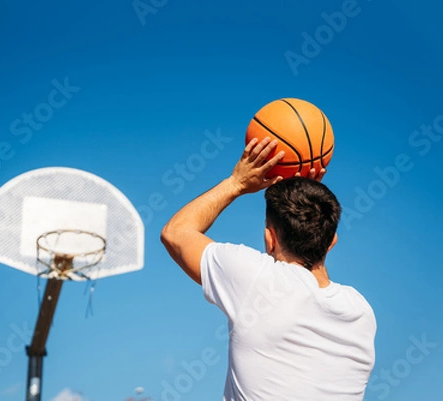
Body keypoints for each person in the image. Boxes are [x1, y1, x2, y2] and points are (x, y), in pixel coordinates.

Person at [160, 137, 376, 401]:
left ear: (269, 239)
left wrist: (236, 183)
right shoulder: (361, 312)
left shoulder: (258, 280)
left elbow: (175, 233)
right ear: (331, 242)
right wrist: (305, 202)